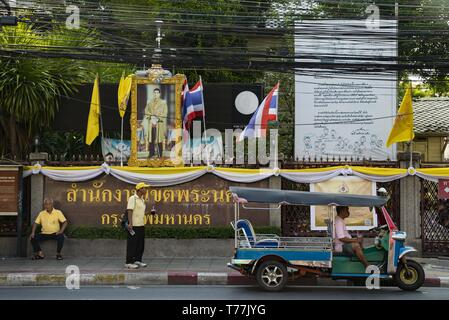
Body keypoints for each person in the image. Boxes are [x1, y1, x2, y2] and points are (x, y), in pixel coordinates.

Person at [125, 182, 150, 269]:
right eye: (144, 188)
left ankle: (137, 260)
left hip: (141, 225)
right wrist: (130, 223)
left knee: (140, 244)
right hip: (134, 225)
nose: (146, 190)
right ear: (139, 189)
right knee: (132, 244)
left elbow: (141, 213)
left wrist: (150, 213)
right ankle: (129, 262)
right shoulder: (133, 198)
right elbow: (129, 210)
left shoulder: (142, 200)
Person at [144, 88, 167, 158]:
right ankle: (151, 153)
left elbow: (165, 113)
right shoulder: (149, 102)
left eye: (157, 93)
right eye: (154, 93)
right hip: (151, 123)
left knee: (159, 139)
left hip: (159, 124)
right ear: (153, 94)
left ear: (159, 94)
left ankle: (160, 154)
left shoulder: (163, 103)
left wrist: (157, 118)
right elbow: (146, 111)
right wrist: (151, 118)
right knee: (151, 139)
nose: (156, 94)